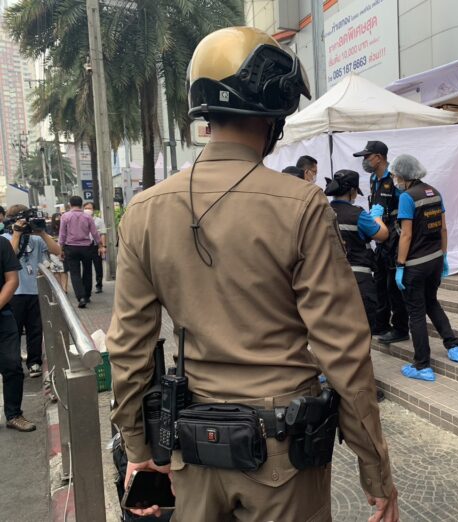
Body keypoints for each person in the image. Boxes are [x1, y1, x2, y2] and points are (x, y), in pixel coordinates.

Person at [107, 27, 398, 522]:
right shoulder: (301, 205)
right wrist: (376, 472)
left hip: (193, 448)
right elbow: (343, 349)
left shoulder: (143, 210)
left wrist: (137, 447)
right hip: (283, 455)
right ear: (274, 111)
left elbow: (129, 346)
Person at [391, 154, 458, 382]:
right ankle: (453, 345)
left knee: (416, 313)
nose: (395, 180)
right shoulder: (434, 192)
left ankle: (422, 365)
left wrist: (400, 265)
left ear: (404, 175)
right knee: (431, 302)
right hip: (435, 260)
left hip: (415, 264)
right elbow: (443, 229)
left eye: (396, 176)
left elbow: (406, 234)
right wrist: (444, 256)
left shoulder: (407, 197)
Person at [354, 140, 409, 344]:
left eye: (367, 157)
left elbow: (406, 208)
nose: (365, 161)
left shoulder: (395, 178)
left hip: (395, 237)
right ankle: (381, 323)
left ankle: (401, 328)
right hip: (380, 238)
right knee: (380, 283)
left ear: (378, 157)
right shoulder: (372, 179)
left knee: (394, 286)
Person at [325, 169, 388, 333]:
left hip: (329, 278)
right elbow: (382, 235)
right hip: (358, 280)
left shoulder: (321, 212)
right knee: (362, 329)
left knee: (338, 328)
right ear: (352, 191)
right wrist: (377, 217)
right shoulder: (358, 215)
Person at [3, 205, 62, 378]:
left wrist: (42, 232)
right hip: (15, 292)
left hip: (35, 290)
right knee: (14, 330)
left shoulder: (35, 239)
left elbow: (57, 251)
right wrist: (16, 234)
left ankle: (34, 362)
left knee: (35, 329)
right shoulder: (5, 239)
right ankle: (14, 363)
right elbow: (10, 258)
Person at [0, 234, 35, 432]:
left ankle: (14, 415)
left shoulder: (2, 244)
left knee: (12, 365)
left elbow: (12, 280)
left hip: (3, 314)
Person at [59, 196, 101, 308]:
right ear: (81, 205)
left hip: (70, 247)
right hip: (87, 247)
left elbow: (62, 234)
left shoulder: (65, 216)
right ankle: (87, 295)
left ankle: (81, 297)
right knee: (87, 271)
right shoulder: (87, 216)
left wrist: (61, 249)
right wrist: (100, 244)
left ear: (70, 204)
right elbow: (95, 233)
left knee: (74, 273)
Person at [83, 202, 106, 294]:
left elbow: (103, 234)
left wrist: (103, 246)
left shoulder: (99, 221)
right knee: (86, 268)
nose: (87, 210)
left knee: (98, 267)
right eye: (86, 208)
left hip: (96, 246)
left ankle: (99, 285)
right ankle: (85, 286)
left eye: (90, 208)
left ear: (93, 210)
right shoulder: (81, 220)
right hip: (85, 246)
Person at [47, 213, 69, 292]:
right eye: (56, 217)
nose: (58, 219)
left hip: (63, 250)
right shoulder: (49, 227)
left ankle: (64, 288)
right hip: (52, 252)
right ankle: (59, 288)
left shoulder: (65, 227)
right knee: (55, 270)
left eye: (60, 217)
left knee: (64, 270)